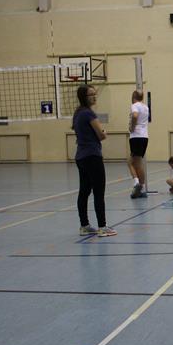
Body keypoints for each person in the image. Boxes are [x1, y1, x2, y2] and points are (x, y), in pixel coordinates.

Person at [73, 85, 116, 237]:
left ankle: (84, 225)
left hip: (81, 157)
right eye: (91, 94)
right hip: (92, 156)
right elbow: (101, 135)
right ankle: (102, 227)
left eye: (94, 93)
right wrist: (104, 132)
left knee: (84, 191)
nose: (94, 96)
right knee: (98, 191)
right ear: (84, 97)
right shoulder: (88, 113)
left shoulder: (78, 113)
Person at [128, 90, 149, 198]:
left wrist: (132, 127)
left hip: (136, 136)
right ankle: (142, 187)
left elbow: (135, 116)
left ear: (133, 96)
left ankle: (137, 184)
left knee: (132, 163)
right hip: (144, 137)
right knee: (137, 162)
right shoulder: (145, 107)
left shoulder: (135, 105)